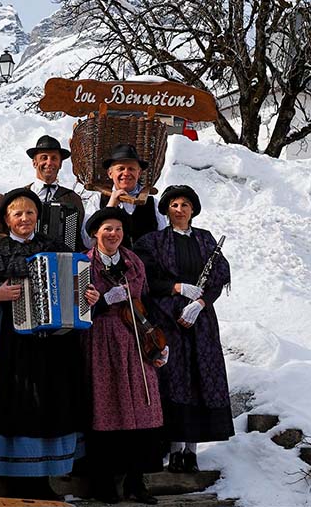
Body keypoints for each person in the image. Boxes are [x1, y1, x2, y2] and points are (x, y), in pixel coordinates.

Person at [0, 188, 99, 499]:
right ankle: (16, 476)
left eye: (30, 213)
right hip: (10, 339)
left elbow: (78, 290)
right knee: (16, 400)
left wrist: (88, 298)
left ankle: (46, 475)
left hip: (54, 344)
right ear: (6, 219)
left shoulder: (56, 248)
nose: (24, 218)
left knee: (51, 400)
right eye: (17, 213)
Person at [134, 185, 233, 474]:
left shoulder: (205, 239)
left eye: (185, 205)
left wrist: (201, 303)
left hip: (200, 320)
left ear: (193, 210)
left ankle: (192, 450)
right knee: (175, 380)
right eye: (174, 205)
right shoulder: (153, 241)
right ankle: (175, 449)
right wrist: (176, 287)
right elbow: (147, 278)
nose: (180, 209)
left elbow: (218, 276)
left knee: (201, 378)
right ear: (166, 209)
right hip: (168, 319)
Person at [84, 207, 169, 505]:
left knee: (144, 406)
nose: (113, 234)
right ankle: (104, 482)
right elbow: (76, 310)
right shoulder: (85, 263)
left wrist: (156, 343)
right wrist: (104, 302)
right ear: (95, 232)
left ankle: (137, 481)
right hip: (101, 339)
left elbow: (144, 302)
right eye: (107, 229)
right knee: (107, 407)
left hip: (135, 339)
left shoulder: (133, 261)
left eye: (118, 229)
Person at [81, 144, 167, 250]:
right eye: (121, 169)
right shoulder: (97, 200)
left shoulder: (153, 203)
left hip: (145, 265)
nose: (126, 173)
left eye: (131, 169)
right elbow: (87, 242)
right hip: (109, 265)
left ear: (139, 173)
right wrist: (110, 207)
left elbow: (163, 243)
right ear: (110, 173)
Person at [23, 134, 85, 251]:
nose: (49, 162)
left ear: (60, 164)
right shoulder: (20, 196)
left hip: (63, 260)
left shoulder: (73, 198)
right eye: (44, 157)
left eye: (54, 158)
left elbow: (81, 236)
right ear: (34, 163)